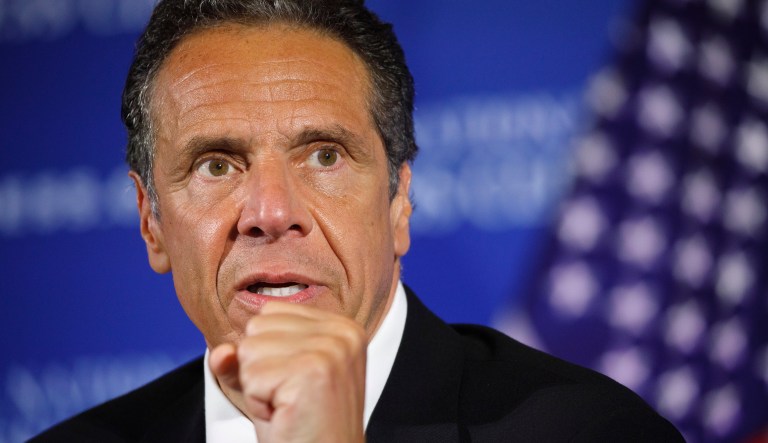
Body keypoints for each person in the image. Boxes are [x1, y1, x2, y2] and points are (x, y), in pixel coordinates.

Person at [32, 0, 684, 441]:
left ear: (399, 201)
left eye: (324, 155)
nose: (271, 212)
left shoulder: (586, 430)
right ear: (151, 222)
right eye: (216, 165)